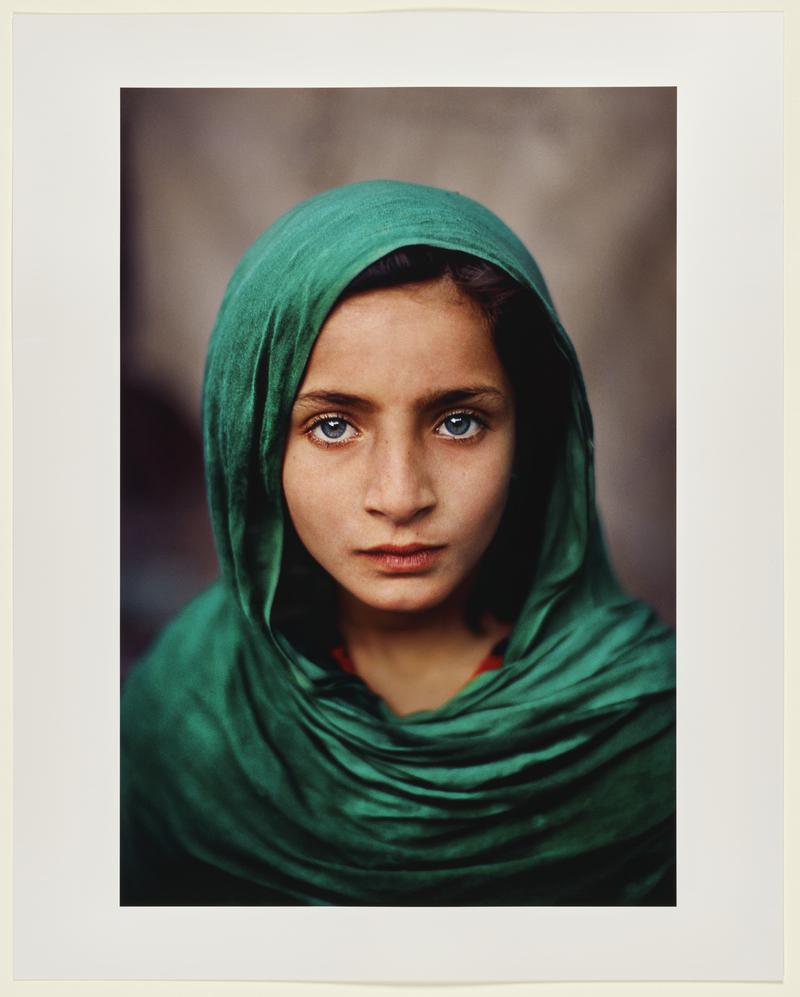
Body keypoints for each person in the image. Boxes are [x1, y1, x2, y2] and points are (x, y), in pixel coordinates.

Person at [121, 179, 676, 906]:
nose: (401, 495)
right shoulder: (180, 716)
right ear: (252, 445)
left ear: (532, 437)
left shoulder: (655, 729)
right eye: (332, 425)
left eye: (458, 422)